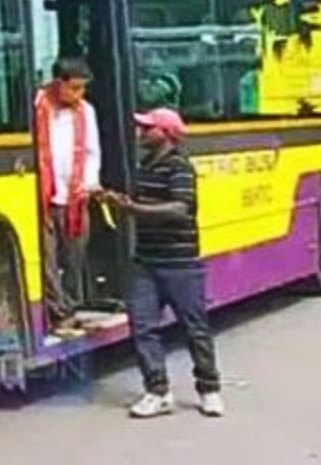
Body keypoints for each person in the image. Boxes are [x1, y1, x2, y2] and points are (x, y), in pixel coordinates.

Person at [101, 108, 223, 418]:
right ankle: (157, 391)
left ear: (166, 134)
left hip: (181, 263)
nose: (141, 133)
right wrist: (116, 202)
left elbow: (179, 209)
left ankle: (209, 389)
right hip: (146, 261)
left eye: (148, 128)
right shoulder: (144, 167)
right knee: (143, 327)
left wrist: (133, 209)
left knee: (194, 329)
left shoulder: (180, 167)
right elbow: (141, 205)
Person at [34, 56, 102, 331]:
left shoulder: (85, 111)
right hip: (45, 196)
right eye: (74, 88)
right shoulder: (38, 105)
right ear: (57, 83)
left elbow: (92, 152)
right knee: (47, 259)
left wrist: (90, 182)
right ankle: (58, 312)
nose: (79, 94)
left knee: (75, 255)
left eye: (82, 88)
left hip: (75, 196)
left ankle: (73, 305)